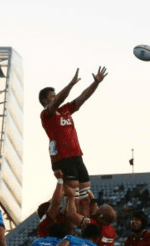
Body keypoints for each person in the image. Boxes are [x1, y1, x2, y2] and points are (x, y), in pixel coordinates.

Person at [39, 66, 108, 221]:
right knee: (73, 200)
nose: (55, 97)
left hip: (77, 156)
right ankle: (71, 233)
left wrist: (95, 83)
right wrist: (70, 85)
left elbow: (83, 97)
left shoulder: (66, 110)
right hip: (64, 158)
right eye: (52, 96)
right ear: (44, 101)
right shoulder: (46, 115)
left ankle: (84, 234)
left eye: (54, 95)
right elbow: (58, 101)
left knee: (86, 199)